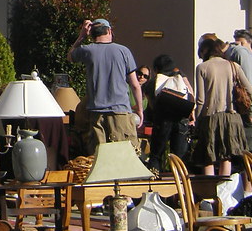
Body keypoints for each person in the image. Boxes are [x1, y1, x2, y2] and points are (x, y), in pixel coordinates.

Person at [68, 18, 143, 153]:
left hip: (96, 114)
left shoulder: (87, 51)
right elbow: (135, 85)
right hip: (120, 112)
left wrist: (81, 36)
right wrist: (140, 110)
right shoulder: (123, 51)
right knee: (125, 157)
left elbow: (70, 56)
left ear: (92, 33)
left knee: (100, 159)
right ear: (109, 30)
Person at [192, 35, 248, 176]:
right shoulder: (233, 66)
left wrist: (197, 121)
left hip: (211, 117)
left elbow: (200, 100)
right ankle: (224, 190)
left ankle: (210, 193)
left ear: (205, 51)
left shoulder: (202, 67)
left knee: (208, 157)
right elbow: (250, 89)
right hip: (232, 117)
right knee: (226, 156)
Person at [203, 32, 252, 150]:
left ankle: (250, 169)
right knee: (236, 148)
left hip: (248, 107)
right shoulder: (229, 55)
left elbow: (250, 82)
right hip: (238, 109)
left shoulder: (239, 53)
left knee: (249, 150)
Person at [146, 54, 194, 172]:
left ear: (156, 69)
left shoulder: (152, 83)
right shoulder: (180, 80)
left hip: (162, 121)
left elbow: (152, 105)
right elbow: (191, 96)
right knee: (179, 157)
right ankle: (180, 183)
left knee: (156, 155)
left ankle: (155, 179)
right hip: (181, 120)